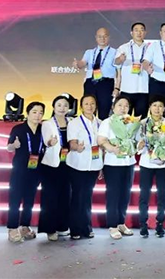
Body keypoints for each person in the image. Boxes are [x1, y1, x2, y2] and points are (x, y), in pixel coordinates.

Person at [97, 95, 137, 240]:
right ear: (113, 107)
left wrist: (138, 145)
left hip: (128, 162)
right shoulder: (107, 122)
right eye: (120, 105)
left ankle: (121, 222)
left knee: (125, 194)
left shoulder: (132, 122)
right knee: (113, 195)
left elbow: (136, 140)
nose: (123, 108)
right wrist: (112, 148)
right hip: (113, 163)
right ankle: (112, 225)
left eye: (126, 106)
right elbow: (101, 140)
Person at [137, 96, 165, 238]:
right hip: (146, 163)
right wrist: (141, 146)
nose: (157, 109)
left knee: (162, 195)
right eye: (154, 105)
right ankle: (143, 223)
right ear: (150, 107)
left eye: (160, 106)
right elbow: (138, 143)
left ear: (164, 108)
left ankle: (160, 223)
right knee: (144, 195)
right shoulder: (142, 123)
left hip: (163, 164)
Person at [6, 101, 45, 243]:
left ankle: (25, 226)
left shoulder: (43, 129)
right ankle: (12, 228)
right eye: (34, 112)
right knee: (15, 199)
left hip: (36, 170)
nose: (37, 115)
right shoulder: (18, 129)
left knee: (29, 200)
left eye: (40, 112)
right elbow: (9, 147)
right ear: (28, 113)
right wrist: (14, 145)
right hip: (20, 169)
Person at [66, 94, 103, 240]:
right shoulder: (74, 123)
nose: (89, 106)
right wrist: (77, 147)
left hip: (94, 165)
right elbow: (72, 143)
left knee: (87, 197)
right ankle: (75, 229)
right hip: (77, 164)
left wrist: (101, 166)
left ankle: (86, 228)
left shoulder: (100, 123)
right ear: (81, 106)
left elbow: (102, 146)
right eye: (86, 104)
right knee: (77, 197)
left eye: (92, 103)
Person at [38, 95, 72, 241]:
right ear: (53, 107)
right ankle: (50, 229)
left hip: (68, 164)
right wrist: (50, 142)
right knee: (50, 198)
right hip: (51, 165)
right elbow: (46, 140)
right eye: (59, 105)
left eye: (65, 105)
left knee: (65, 196)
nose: (62, 108)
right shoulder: (47, 123)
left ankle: (62, 227)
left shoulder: (72, 122)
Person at [74, 27, 117, 120]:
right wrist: (78, 64)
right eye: (100, 36)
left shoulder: (115, 52)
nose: (102, 39)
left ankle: (103, 128)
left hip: (106, 83)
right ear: (96, 38)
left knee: (104, 110)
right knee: (88, 108)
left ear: (109, 37)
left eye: (105, 36)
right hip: (90, 83)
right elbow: (82, 63)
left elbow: (118, 68)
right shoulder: (89, 52)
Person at [114, 22, 150, 117]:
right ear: (131, 33)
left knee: (141, 119)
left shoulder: (150, 48)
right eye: (136, 30)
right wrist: (120, 59)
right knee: (124, 118)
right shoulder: (124, 47)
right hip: (127, 90)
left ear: (145, 33)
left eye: (141, 30)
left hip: (144, 90)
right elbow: (116, 63)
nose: (139, 33)